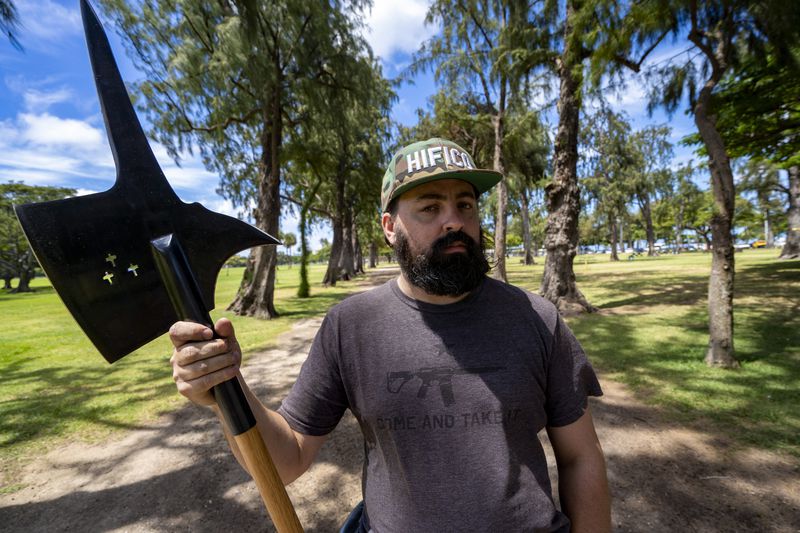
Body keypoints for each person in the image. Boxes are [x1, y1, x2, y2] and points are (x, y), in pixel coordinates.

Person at [169, 138, 612, 532]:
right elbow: (286, 460)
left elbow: (581, 456)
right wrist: (227, 387)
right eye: (429, 207)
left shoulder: (536, 318)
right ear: (388, 227)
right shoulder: (350, 325)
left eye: (466, 205)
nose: (454, 221)